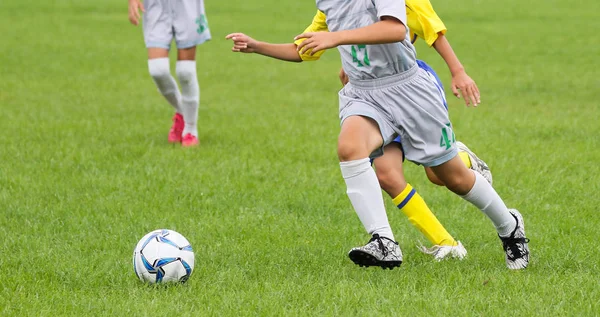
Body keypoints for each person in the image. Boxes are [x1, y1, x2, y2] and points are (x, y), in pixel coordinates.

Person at [226, 0, 530, 270]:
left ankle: (509, 227)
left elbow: (396, 29)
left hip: (408, 89)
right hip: (363, 93)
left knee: (451, 177)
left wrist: (335, 38)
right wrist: (257, 46)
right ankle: (384, 241)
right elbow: (304, 48)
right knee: (349, 148)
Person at [128, 0, 211, 147]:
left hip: (187, 6)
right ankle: (183, 112)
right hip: (156, 6)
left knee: (185, 71)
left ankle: (190, 130)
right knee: (157, 70)